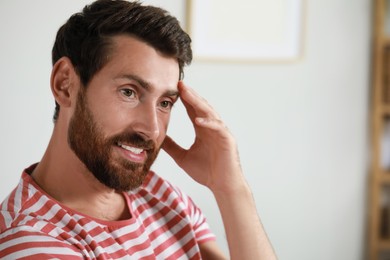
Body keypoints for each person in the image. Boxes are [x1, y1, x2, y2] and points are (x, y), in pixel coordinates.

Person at [0, 0, 276, 259]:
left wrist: (230, 188)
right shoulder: (33, 242)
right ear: (65, 84)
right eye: (129, 92)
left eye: (165, 102)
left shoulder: (161, 195)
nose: (152, 128)